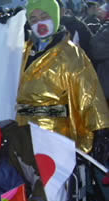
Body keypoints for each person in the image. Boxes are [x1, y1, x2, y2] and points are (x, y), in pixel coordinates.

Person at [15, 0, 109, 163]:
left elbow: (89, 93)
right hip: (22, 130)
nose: (40, 23)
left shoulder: (71, 53)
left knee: (52, 181)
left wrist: (100, 129)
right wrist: (3, 30)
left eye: (45, 16)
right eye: (34, 19)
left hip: (55, 132)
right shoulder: (22, 51)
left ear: (56, 16)